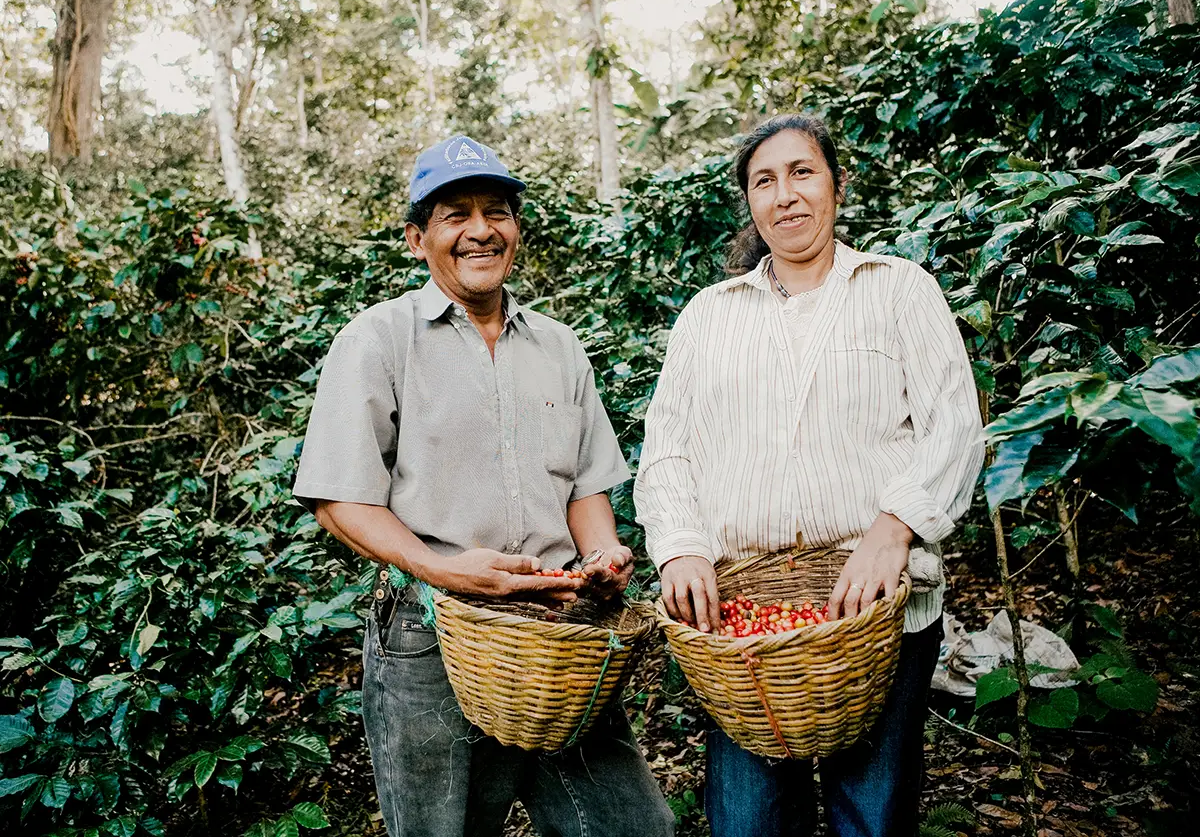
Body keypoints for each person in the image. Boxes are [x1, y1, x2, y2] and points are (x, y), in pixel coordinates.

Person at [293, 134, 674, 837]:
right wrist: (442, 568)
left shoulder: (558, 346)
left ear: (516, 230)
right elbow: (338, 497)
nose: (479, 230)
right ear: (418, 239)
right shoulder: (378, 340)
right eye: (454, 214)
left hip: (559, 628)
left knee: (630, 825)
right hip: (432, 631)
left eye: (495, 210)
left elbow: (585, 485)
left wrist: (602, 553)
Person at [633, 114, 985, 837]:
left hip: (880, 611)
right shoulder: (708, 316)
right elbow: (667, 446)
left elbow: (954, 423)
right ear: (750, 203)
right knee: (749, 820)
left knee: (874, 815)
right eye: (765, 180)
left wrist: (896, 528)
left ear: (836, 185)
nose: (786, 195)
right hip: (745, 630)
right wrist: (681, 546)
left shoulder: (898, 290)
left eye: (803, 172)